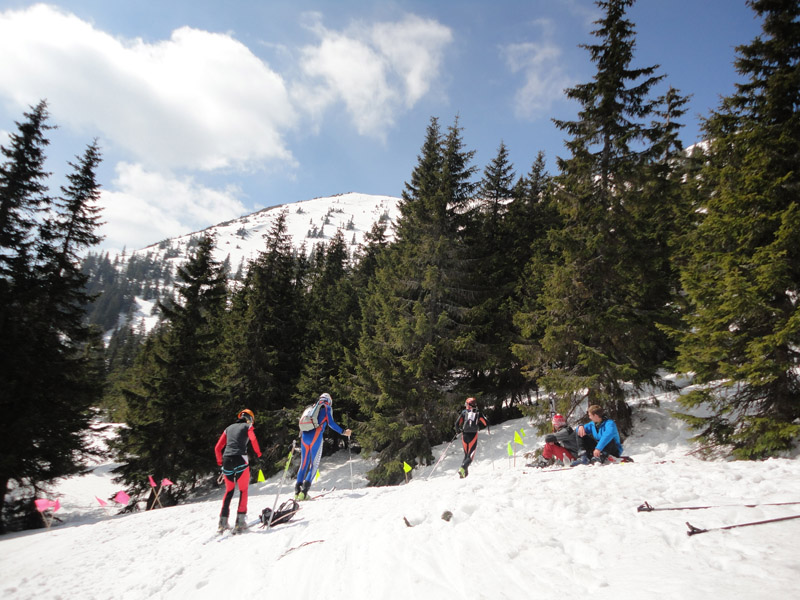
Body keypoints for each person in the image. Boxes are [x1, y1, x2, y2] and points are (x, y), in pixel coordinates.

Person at [295, 393, 351, 501]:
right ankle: (304, 492)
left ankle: (297, 492)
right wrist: (344, 432)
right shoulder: (327, 408)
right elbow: (331, 423)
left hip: (304, 437)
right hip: (316, 437)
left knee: (303, 464)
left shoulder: (311, 408)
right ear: (329, 401)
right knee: (314, 465)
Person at [214, 409, 262, 533]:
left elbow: (218, 447)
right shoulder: (248, 426)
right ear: (250, 419)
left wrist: (220, 461)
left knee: (229, 491)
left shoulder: (228, 428)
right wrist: (258, 453)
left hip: (226, 460)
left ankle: (222, 522)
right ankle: (240, 522)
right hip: (240, 459)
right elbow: (253, 439)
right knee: (243, 490)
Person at [454, 397, 489, 478]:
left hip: (464, 435)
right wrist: (480, 425)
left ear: (468, 405)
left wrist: (458, 430)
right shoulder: (478, 413)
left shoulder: (464, 412)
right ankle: (463, 468)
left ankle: (464, 474)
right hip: (473, 435)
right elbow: (486, 423)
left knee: (466, 455)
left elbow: (456, 423)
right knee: (470, 456)